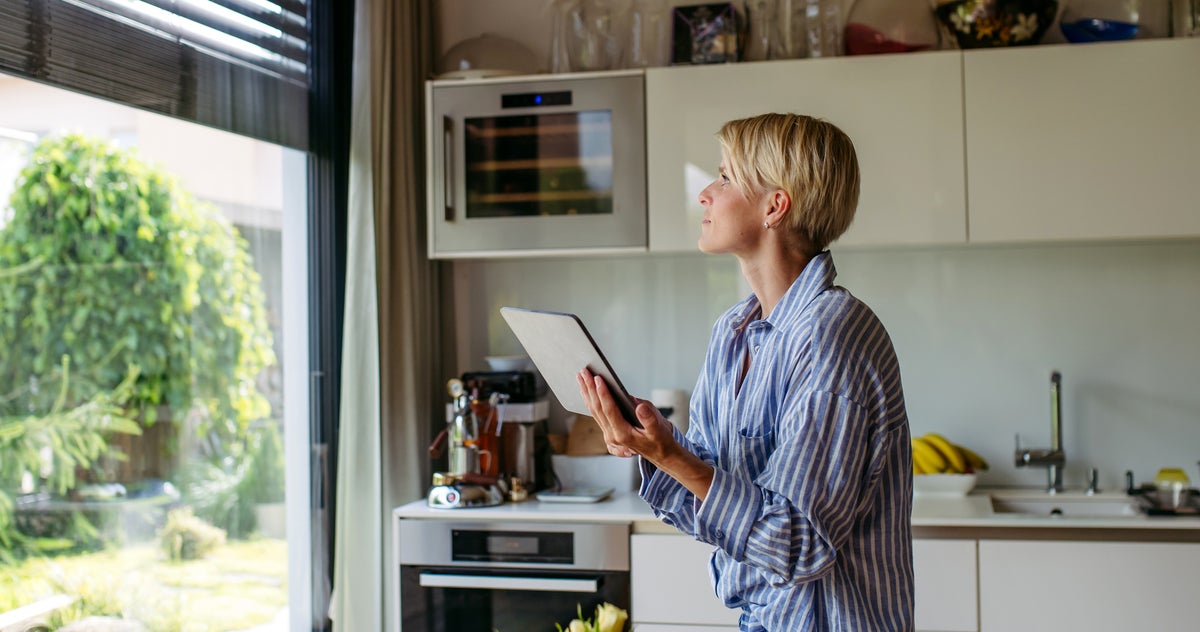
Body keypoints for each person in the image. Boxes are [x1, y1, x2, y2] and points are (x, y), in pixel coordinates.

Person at [577, 113, 913, 631]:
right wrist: (659, 446)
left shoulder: (832, 337)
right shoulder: (733, 333)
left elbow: (797, 544)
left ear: (775, 206)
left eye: (727, 177)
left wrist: (671, 457)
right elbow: (716, 510)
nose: (706, 194)